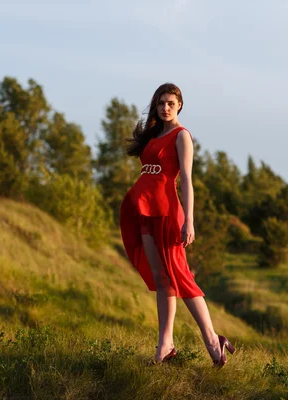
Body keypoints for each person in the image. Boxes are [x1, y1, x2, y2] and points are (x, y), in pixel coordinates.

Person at [119, 83, 235, 366]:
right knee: (162, 280)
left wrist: (190, 221)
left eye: (170, 103)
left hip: (169, 212)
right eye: (161, 103)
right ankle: (165, 345)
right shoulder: (154, 136)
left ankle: (211, 339)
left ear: (180, 105)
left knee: (180, 276)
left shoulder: (182, 136)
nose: (165, 107)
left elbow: (186, 180)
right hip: (146, 211)